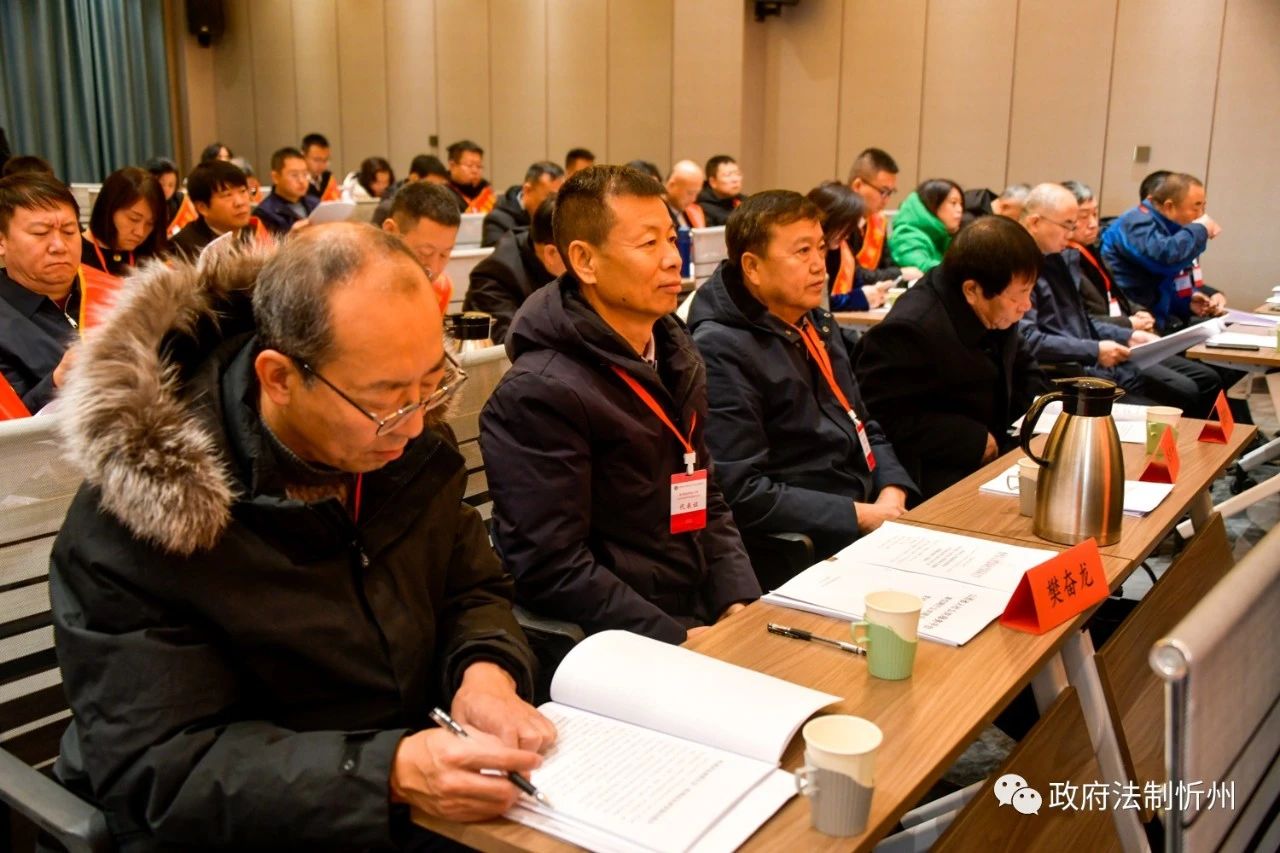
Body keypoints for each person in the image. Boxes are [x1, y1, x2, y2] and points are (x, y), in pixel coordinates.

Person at [50, 223, 555, 848]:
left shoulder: (406, 449)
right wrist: (387, 774)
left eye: (431, 383)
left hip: (412, 798)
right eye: (384, 399)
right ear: (280, 378)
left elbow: (472, 589)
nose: (414, 422)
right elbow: (165, 772)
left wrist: (485, 674)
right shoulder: (138, 525)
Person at [480, 165, 760, 643]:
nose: (672, 259)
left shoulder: (675, 352)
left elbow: (705, 493)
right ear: (585, 261)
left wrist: (738, 600)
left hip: (699, 610)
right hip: (628, 637)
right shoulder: (540, 393)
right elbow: (553, 566)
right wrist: (678, 639)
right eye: (648, 244)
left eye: (671, 239)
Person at [688, 191, 916, 567]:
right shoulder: (720, 347)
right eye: (802, 251)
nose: (819, 266)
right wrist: (861, 515)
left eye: (821, 248)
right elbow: (741, 490)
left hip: (868, 513)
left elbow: (863, 423)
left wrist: (892, 491)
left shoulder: (813, 322)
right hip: (811, 540)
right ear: (752, 267)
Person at [855, 216, 1050, 498]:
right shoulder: (910, 328)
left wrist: (1041, 416)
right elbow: (881, 417)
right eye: (1020, 295)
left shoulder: (996, 303)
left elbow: (1023, 366)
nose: (1026, 305)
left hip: (1001, 453)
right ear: (972, 290)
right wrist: (971, 440)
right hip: (938, 471)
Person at [1018, 183, 1220, 414]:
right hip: (1065, 375)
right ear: (1035, 223)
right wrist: (1095, 349)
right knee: (1173, 403)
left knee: (1186, 391)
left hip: (1091, 362)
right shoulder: (1021, 267)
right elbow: (1028, 338)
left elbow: (1080, 321)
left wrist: (1127, 335)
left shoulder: (1056, 258)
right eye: (1067, 225)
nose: (1071, 232)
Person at [1101, 172, 1225, 333]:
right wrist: (1200, 229)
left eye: (1203, 207)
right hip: (1128, 324)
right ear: (1169, 206)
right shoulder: (1136, 222)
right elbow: (1165, 259)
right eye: (1196, 207)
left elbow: (1161, 283)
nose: (1201, 215)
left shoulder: (1166, 225)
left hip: (1153, 320)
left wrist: (1187, 301)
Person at [0, 173, 83, 412]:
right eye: (40, 233)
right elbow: (11, 421)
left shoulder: (112, 292)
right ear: (2, 242)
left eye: (69, 231)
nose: (59, 246)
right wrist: (58, 381)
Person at [465, 197, 564, 343]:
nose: (589, 263)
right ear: (551, 253)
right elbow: (514, 345)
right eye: (581, 253)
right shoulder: (494, 278)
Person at [1061, 179, 1154, 332]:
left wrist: (1138, 311)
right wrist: (1128, 323)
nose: (1093, 224)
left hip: (1117, 327)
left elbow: (1115, 294)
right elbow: (1077, 320)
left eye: (1095, 214)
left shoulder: (1094, 247)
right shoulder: (1060, 260)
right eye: (1083, 216)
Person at [806, 181, 893, 310]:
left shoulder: (840, 248)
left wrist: (873, 291)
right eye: (844, 227)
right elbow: (816, 305)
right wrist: (858, 299)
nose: (846, 236)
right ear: (829, 220)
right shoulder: (803, 254)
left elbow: (855, 281)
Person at [380, 180, 460, 315]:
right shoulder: (353, 287)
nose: (434, 269)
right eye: (425, 253)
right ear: (390, 232)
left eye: (444, 255)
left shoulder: (440, 288)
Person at [846, 147, 921, 284]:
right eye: (883, 192)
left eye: (891, 193)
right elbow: (852, 273)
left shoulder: (877, 220)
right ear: (858, 186)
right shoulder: (837, 220)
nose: (886, 200)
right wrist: (899, 273)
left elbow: (888, 265)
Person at [170, 160, 269, 260]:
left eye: (242, 191)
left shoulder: (257, 232)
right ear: (202, 208)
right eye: (227, 195)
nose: (240, 202)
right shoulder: (182, 248)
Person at [81, 167, 168, 276]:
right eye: (133, 219)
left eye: (150, 224)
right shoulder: (76, 253)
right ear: (109, 209)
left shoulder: (150, 256)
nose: (140, 232)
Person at [887, 178, 963, 274]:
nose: (960, 209)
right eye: (953, 203)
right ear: (933, 204)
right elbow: (921, 268)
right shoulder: (906, 235)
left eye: (961, 204)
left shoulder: (943, 235)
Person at [481, 161, 564, 247]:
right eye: (550, 197)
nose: (555, 204)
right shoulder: (496, 220)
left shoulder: (557, 217)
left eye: (559, 197)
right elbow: (497, 254)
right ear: (527, 190)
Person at [254, 147, 319, 236]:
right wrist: (290, 236)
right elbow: (267, 244)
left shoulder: (315, 203)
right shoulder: (264, 213)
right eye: (294, 175)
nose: (301, 181)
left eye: (305, 174)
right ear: (276, 177)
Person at [372, 154, 451, 225]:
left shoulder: (437, 206)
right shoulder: (388, 208)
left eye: (441, 186)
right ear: (414, 178)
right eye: (431, 185)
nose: (436, 192)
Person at [692, 155, 745, 226]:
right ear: (713, 182)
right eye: (728, 175)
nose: (735, 179)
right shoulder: (700, 207)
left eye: (737, 174)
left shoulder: (744, 201)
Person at [445, 139, 495, 213]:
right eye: (469, 165)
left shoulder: (487, 194)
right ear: (452, 166)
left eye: (479, 166)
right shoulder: (443, 196)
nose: (475, 171)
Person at [144, 157, 184, 228]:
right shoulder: (141, 202)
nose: (166, 189)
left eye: (171, 185)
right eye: (162, 184)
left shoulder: (179, 201)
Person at [665, 160, 706, 228]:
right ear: (671, 185)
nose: (693, 199)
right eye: (690, 193)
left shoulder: (694, 211)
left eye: (697, 193)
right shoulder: (655, 212)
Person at [301, 132, 339, 202]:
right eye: (317, 160)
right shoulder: (299, 181)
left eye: (325, 160)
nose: (322, 165)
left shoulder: (328, 178)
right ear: (303, 156)